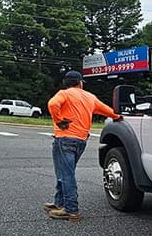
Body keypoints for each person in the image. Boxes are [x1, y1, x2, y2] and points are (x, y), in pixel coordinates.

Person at [45, 71, 121, 221]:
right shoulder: (90, 97)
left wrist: (59, 120)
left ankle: (71, 210)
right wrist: (118, 117)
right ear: (80, 83)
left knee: (65, 174)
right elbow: (108, 111)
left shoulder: (64, 94)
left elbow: (52, 104)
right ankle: (59, 203)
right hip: (81, 140)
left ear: (66, 83)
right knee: (65, 173)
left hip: (65, 139)